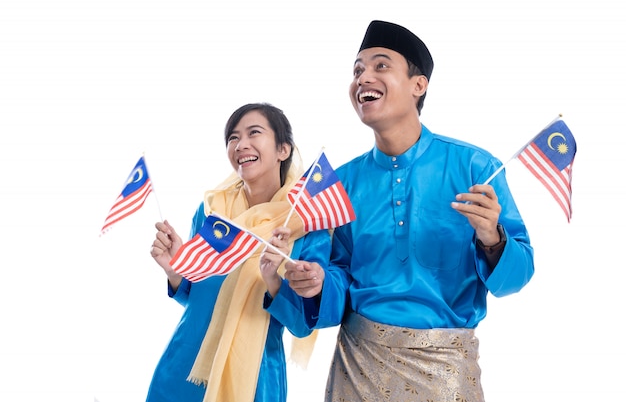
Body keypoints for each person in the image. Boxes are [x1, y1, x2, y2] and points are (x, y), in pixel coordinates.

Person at [283, 20, 535, 402]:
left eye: (380, 65)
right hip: (358, 367)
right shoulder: (340, 184)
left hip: (446, 372)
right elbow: (340, 280)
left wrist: (492, 238)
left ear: (419, 85)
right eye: (357, 70)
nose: (363, 77)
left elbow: (517, 278)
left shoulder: (476, 168)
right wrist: (317, 283)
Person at [146, 102, 331, 402]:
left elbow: (301, 324)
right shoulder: (212, 212)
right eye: (232, 138)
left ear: (283, 150)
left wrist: (273, 280)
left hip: (254, 380)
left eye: (253, 133)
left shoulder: (305, 224)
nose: (240, 145)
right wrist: (175, 271)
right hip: (182, 370)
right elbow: (197, 299)